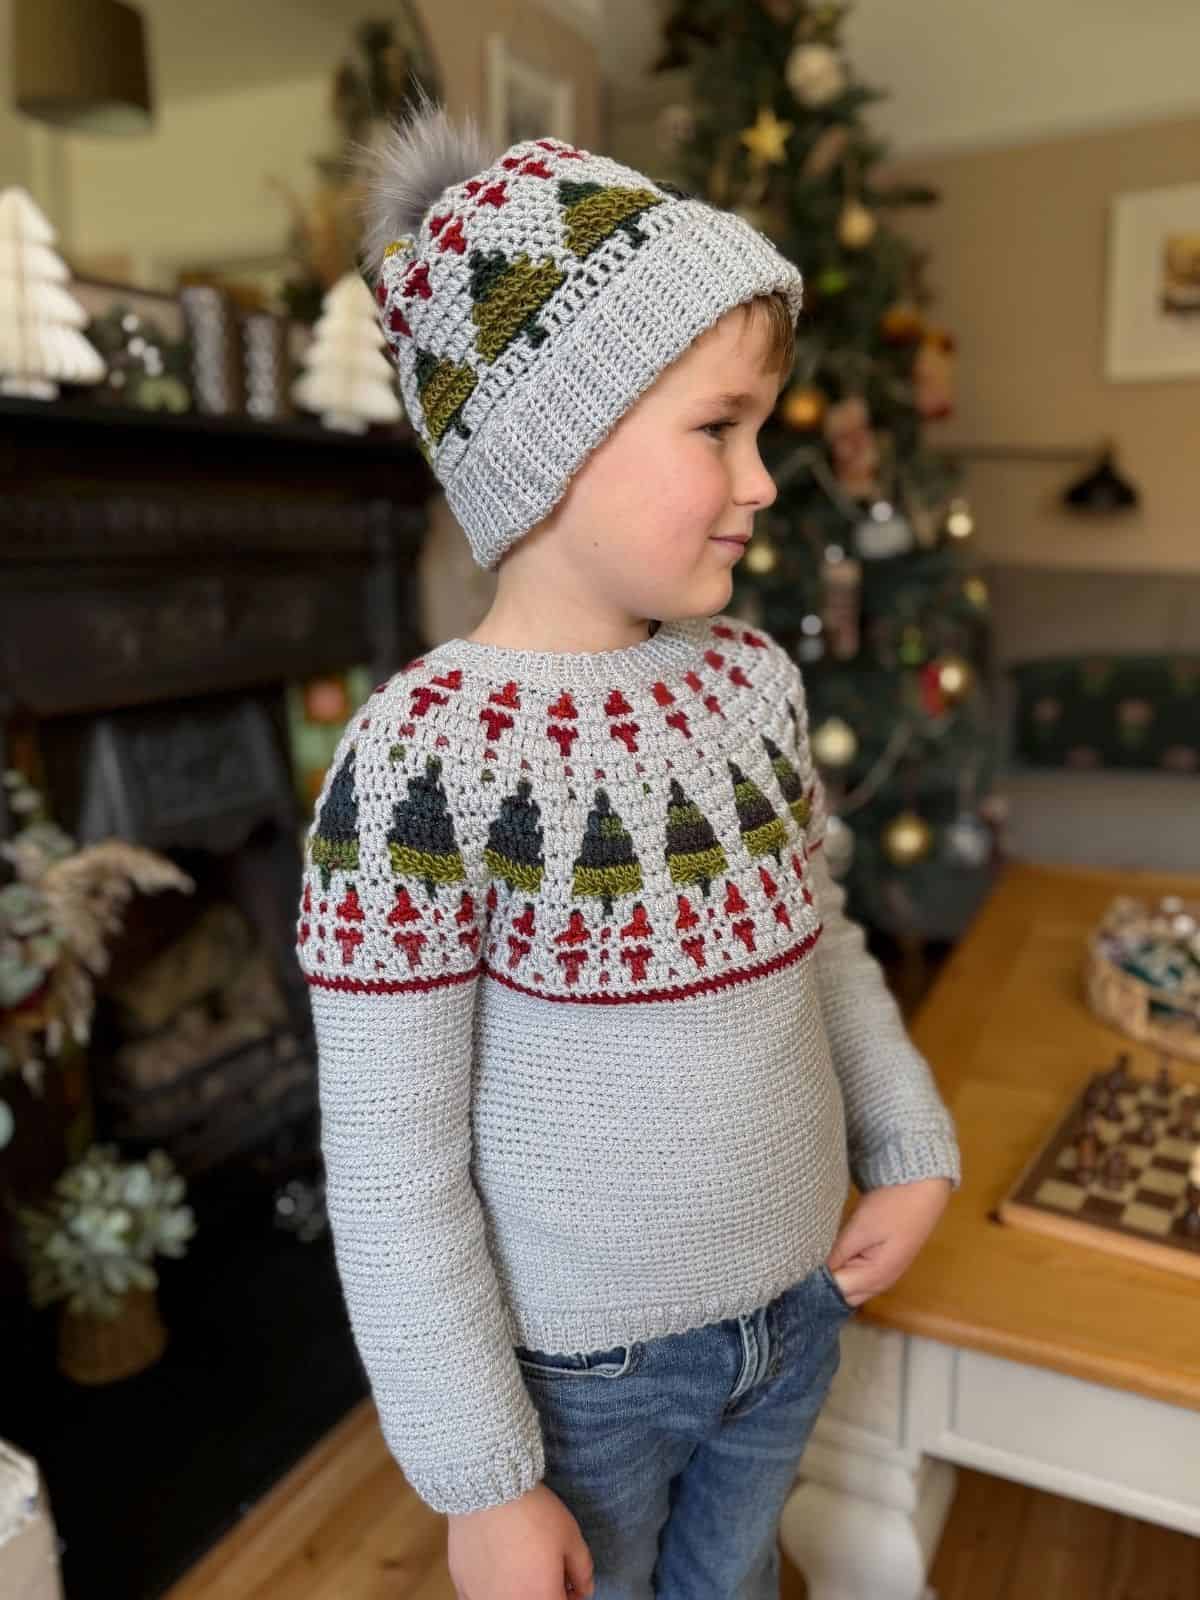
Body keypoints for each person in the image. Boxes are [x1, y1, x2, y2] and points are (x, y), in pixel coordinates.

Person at [296, 95, 961, 1600]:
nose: (763, 480)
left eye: (762, 432)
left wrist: (906, 1141)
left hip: (793, 1320)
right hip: (586, 1386)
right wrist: (482, 1478)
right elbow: (393, 1163)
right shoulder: (422, 764)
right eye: (717, 429)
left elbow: (823, 936)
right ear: (553, 443)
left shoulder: (751, 683)